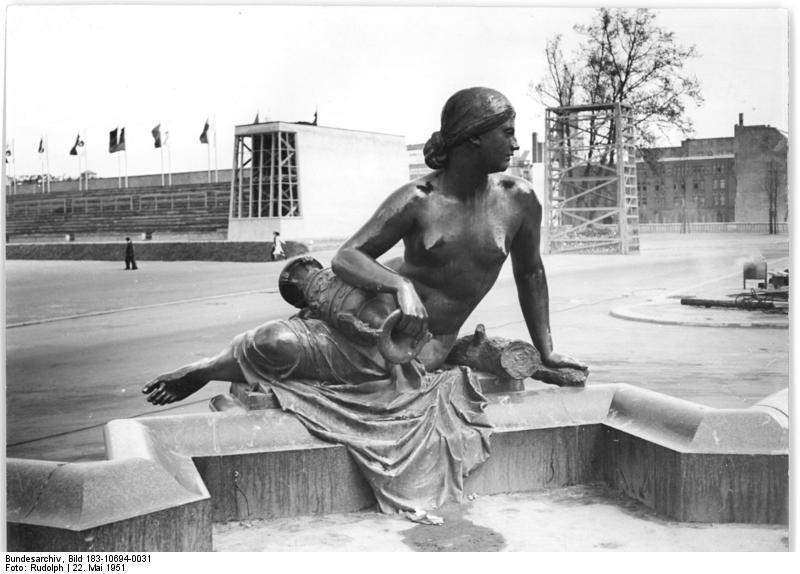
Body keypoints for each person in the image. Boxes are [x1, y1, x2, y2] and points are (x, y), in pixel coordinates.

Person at [142, 86, 585, 406]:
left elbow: (531, 273)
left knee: (278, 343)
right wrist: (400, 287)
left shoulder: (518, 200)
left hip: (413, 349)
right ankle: (204, 370)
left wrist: (545, 351)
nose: (513, 142)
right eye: (506, 132)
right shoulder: (417, 201)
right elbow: (348, 256)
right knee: (271, 341)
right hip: (367, 313)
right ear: (473, 137)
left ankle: (251, 351)